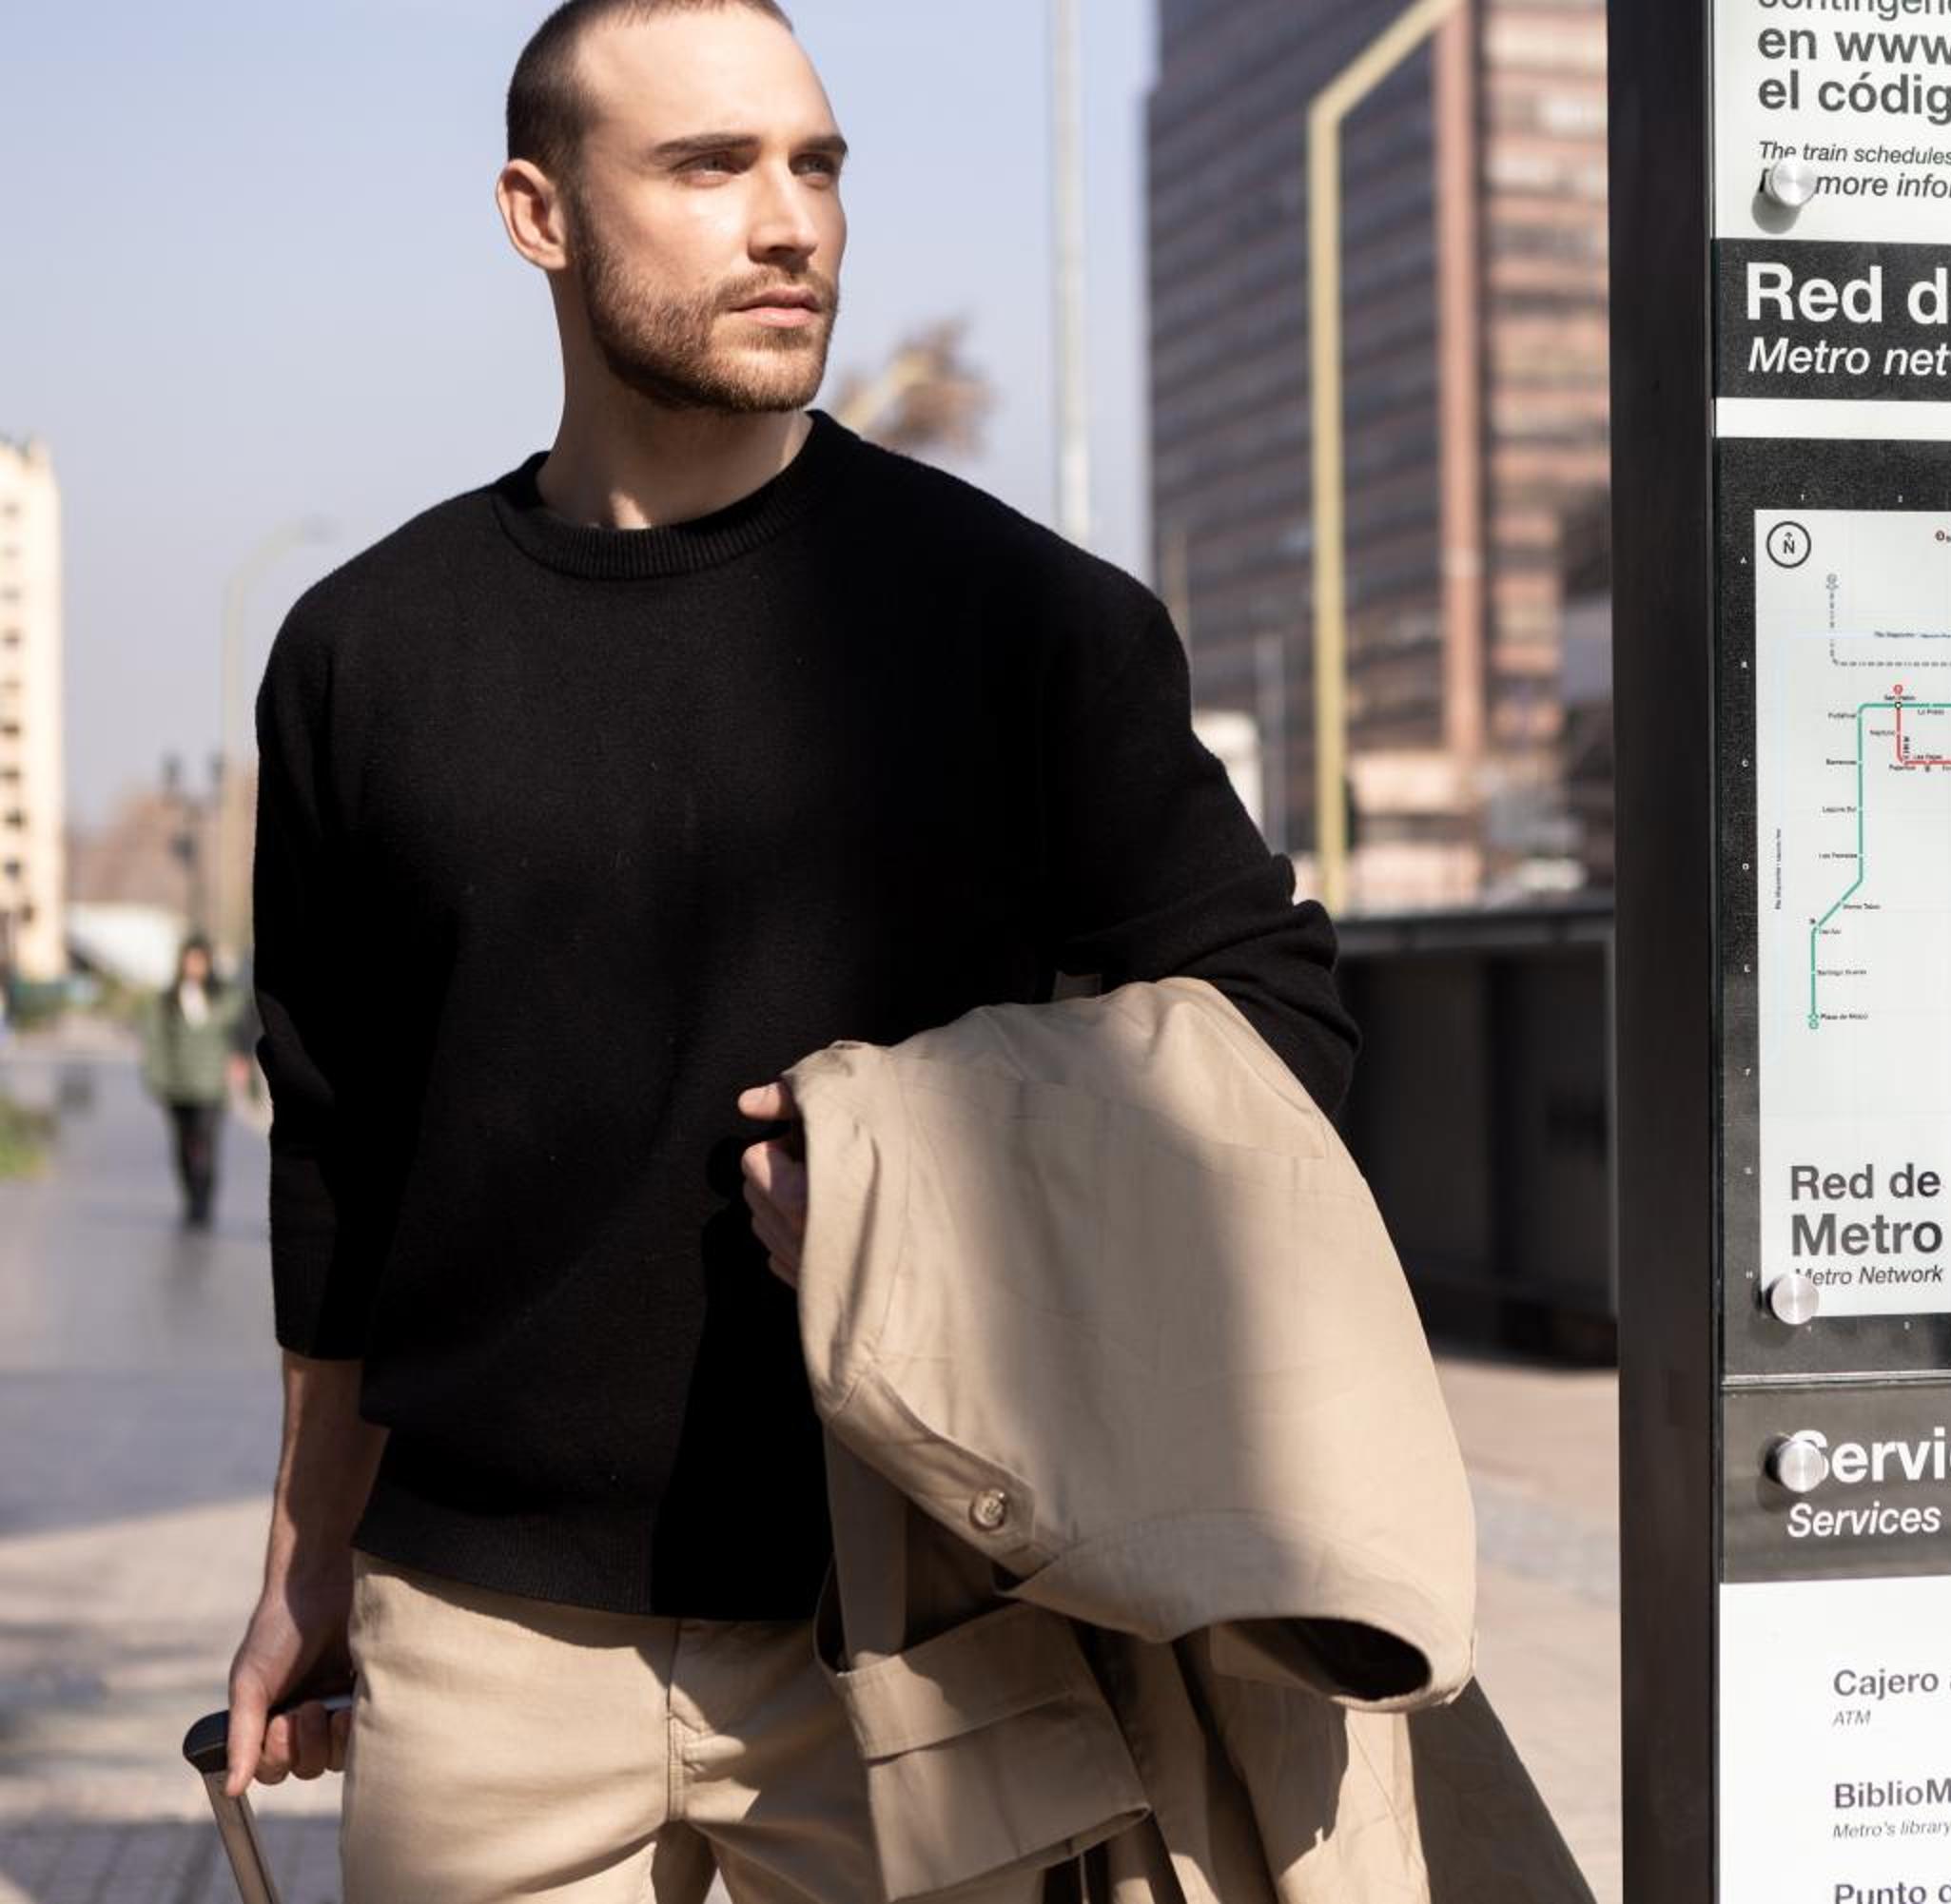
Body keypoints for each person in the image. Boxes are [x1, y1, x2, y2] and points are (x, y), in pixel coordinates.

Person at [220, 4, 1354, 1899]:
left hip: (928, 1619)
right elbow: (335, 1157)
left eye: (816, 165)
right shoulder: (363, 651)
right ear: (539, 212)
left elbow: (1282, 1022)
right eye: (708, 165)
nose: (790, 221)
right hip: (476, 1639)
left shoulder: (1024, 622)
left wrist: (949, 1165)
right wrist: (304, 1563)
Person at [141, 935, 252, 1229]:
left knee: (205, 1143)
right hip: (178, 1085)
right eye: (189, 960)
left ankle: (204, 1202)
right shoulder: (168, 1001)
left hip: (211, 1086)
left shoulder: (225, 998)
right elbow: (155, 1042)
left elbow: (242, 1031)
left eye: (199, 961)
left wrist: (242, 1064)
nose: (194, 967)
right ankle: (190, 1198)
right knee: (183, 1144)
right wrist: (156, 1078)